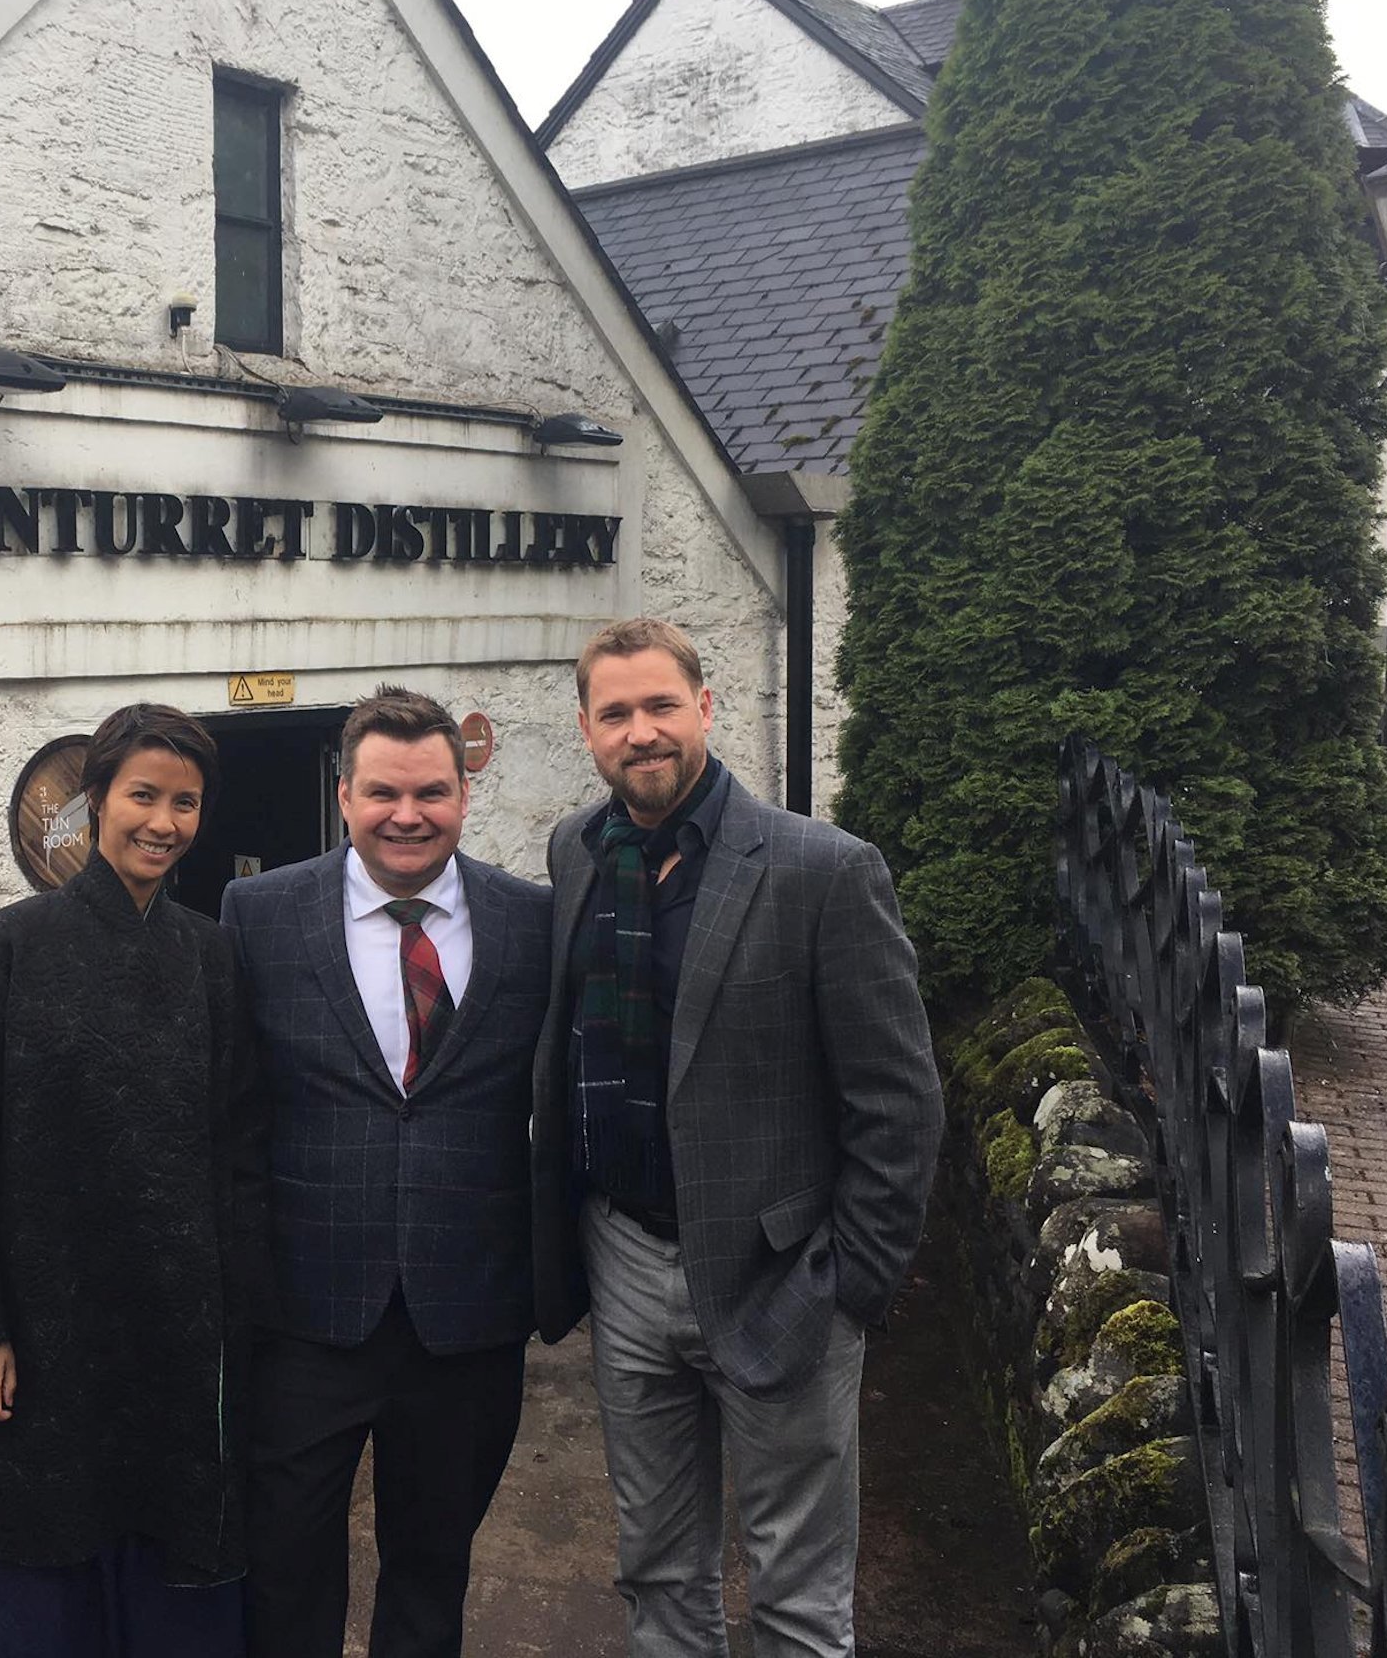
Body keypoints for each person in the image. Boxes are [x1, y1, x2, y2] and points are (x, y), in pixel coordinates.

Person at [529, 618, 942, 1658]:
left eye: (661, 704)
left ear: (704, 707)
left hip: (781, 1274)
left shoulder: (823, 870)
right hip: (623, 1258)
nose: (642, 730)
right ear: (586, 729)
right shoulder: (576, 851)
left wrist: (852, 1285)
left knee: (798, 1594)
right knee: (657, 1573)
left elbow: (898, 1103)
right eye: (616, 712)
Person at [221, 686, 553, 1658]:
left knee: (432, 1568)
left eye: (431, 791)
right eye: (383, 792)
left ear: (463, 794)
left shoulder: (533, 921)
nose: (407, 814)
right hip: (305, 1316)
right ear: (344, 793)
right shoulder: (259, 911)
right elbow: (231, 1107)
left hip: (469, 1319)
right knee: (285, 1573)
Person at [0, 702, 270, 1658]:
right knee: (46, 1545)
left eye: (186, 803)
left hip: (179, 1322)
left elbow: (239, 1143)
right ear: (95, 801)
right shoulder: (7, 948)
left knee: (178, 1547)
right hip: (45, 1325)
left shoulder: (208, 957)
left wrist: (237, 1313)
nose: (163, 823)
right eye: (143, 796)